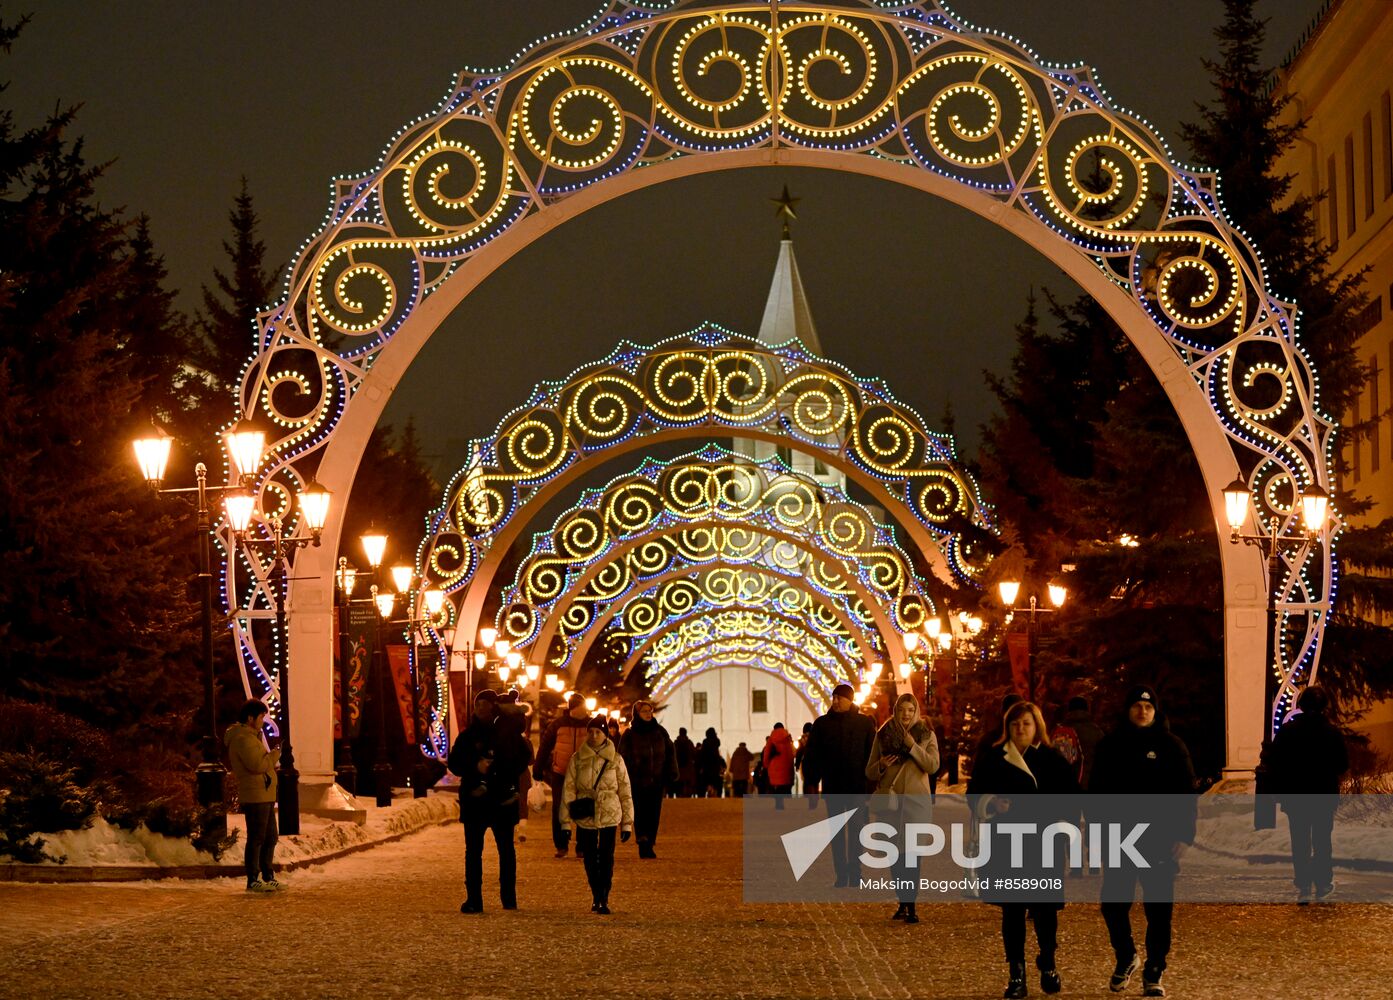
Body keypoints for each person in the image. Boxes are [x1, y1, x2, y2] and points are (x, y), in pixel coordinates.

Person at [967, 700, 1079, 998]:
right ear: (1008, 727)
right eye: (1015, 724)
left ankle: (1048, 961)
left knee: (1044, 909)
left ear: (1036, 726)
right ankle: (1016, 972)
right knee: (1013, 909)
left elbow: (1071, 799)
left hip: (1043, 843)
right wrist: (992, 803)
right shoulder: (994, 758)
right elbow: (973, 793)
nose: (1020, 729)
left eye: (1026, 723)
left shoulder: (1053, 760)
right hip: (1006, 842)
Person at [1090, 685, 1197, 998]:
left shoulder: (1171, 746)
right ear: (1128, 710)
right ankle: (1126, 956)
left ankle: (1155, 968)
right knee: (1113, 905)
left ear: (1155, 711)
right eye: (1137, 706)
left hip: (1159, 839)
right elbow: (1095, 794)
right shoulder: (1110, 746)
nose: (1142, 711)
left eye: (1148, 707)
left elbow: (1185, 795)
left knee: (1159, 909)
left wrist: (1184, 834)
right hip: (1119, 837)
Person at [447, 689, 534, 913]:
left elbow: (522, 759)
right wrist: (475, 765)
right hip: (476, 800)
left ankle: (509, 898)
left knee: (505, 850)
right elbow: (454, 762)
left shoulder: (508, 733)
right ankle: (474, 899)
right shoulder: (468, 736)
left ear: (494, 707)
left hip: (501, 799)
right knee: (474, 851)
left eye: (485, 704)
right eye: (478, 704)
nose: (481, 709)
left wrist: (499, 769)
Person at [1264, 684, 1349, 904]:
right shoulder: (1332, 732)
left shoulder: (1288, 732)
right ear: (1324, 706)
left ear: (1301, 705)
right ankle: (1322, 882)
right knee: (1322, 840)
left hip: (1296, 796)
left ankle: (1303, 883)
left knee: (1300, 840)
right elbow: (1342, 765)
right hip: (1323, 794)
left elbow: (1276, 762)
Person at [865, 694, 939, 924]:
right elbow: (869, 771)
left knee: (912, 855)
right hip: (891, 803)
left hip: (916, 803)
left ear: (915, 711)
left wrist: (913, 747)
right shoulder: (883, 735)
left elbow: (933, 765)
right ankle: (902, 901)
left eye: (910, 710)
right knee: (895, 855)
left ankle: (912, 905)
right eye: (902, 710)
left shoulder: (926, 735)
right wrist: (881, 765)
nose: (906, 714)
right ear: (895, 711)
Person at [803, 682, 876, 887]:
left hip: (856, 787)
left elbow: (872, 756)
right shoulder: (822, 724)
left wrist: (871, 786)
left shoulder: (864, 724)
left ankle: (855, 873)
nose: (835, 701)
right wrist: (811, 783)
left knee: (856, 832)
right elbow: (813, 756)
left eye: (839, 698)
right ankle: (841, 874)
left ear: (850, 700)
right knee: (836, 833)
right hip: (833, 787)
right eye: (833, 697)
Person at [561, 717, 635, 914]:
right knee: (590, 858)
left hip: (610, 813)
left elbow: (625, 791)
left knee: (607, 856)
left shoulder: (616, 759)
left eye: (598, 732)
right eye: (591, 732)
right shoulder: (577, 759)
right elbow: (568, 790)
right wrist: (565, 823)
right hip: (586, 813)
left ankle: (604, 896)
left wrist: (627, 823)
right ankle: (596, 893)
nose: (594, 736)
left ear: (605, 734)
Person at [224, 699, 284, 893]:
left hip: (263, 793)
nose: (263, 721)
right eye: (261, 717)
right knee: (257, 837)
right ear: (250, 717)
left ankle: (267, 876)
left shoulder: (252, 737)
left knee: (270, 837)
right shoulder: (242, 738)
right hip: (254, 795)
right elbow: (257, 765)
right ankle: (253, 878)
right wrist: (275, 755)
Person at [618, 699, 678, 858]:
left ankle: (650, 840)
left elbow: (670, 752)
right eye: (644, 711)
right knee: (640, 812)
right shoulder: (629, 735)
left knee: (654, 813)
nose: (648, 714)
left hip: (656, 780)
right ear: (637, 714)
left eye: (649, 711)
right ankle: (642, 841)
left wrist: (672, 772)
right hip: (636, 781)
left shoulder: (660, 732)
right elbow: (622, 757)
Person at [535, 692, 591, 857]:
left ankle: (582, 847)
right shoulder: (558, 725)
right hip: (561, 772)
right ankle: (561, 845)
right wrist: (538, 769)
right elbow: (545, 746)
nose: (585, 711)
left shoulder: (590, 724)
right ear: (573, 708)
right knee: (560, 808)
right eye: (582, 707)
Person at [1058, 695, 1105, 790]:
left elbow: (1060, 762)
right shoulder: (1097, 731)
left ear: (1069, 710)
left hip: (1067, 786)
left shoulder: (1062, 732)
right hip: (1091, 784)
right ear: (1087, 710)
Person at [762, 722, 796, 807]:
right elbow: (793, 753)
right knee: (785, 789)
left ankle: (779, 807)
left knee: (778, 790)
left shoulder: (771, 739)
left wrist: (766, 765)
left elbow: (767, 753)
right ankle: (787, 810)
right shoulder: (788, 739)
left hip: (774, 768)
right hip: (787, 767)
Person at [697, 727, 725, 797]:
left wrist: (701, 765)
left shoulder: (705, 741)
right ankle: (716, 793)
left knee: (705, 780)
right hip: (715, 765)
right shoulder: (716, 741)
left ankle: (704, 794)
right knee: (715, 780)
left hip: (707, 764)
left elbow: (703, 754)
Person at [673, 726, 696, 797]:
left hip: (678, 766)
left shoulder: (676, 743)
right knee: (687, 781)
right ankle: (687, 795)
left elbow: (672, 754)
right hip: (687, 767)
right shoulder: (689, 743)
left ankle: (679, 794)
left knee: (679, 782)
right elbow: (694, 754)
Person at [794, 721, 815, 794]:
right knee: (814, 782)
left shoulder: (802, 740)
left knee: (806, 782)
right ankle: (814, 798)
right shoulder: (816, 738)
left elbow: (799, 753)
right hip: (815, 763)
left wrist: (797, 764)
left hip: (806, 764)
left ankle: (808, 796)